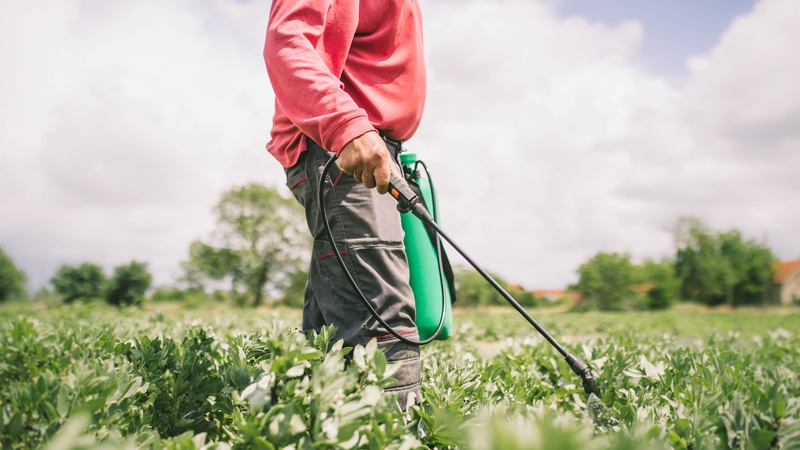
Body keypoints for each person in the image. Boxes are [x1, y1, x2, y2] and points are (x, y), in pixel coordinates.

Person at [263, 1, 426, 409]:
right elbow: (287, 42)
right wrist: (346, 127)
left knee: (329, 330)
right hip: (344, 148)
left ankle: (304, 422)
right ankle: (393, 435)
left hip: (369, 147)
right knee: (382, 326)